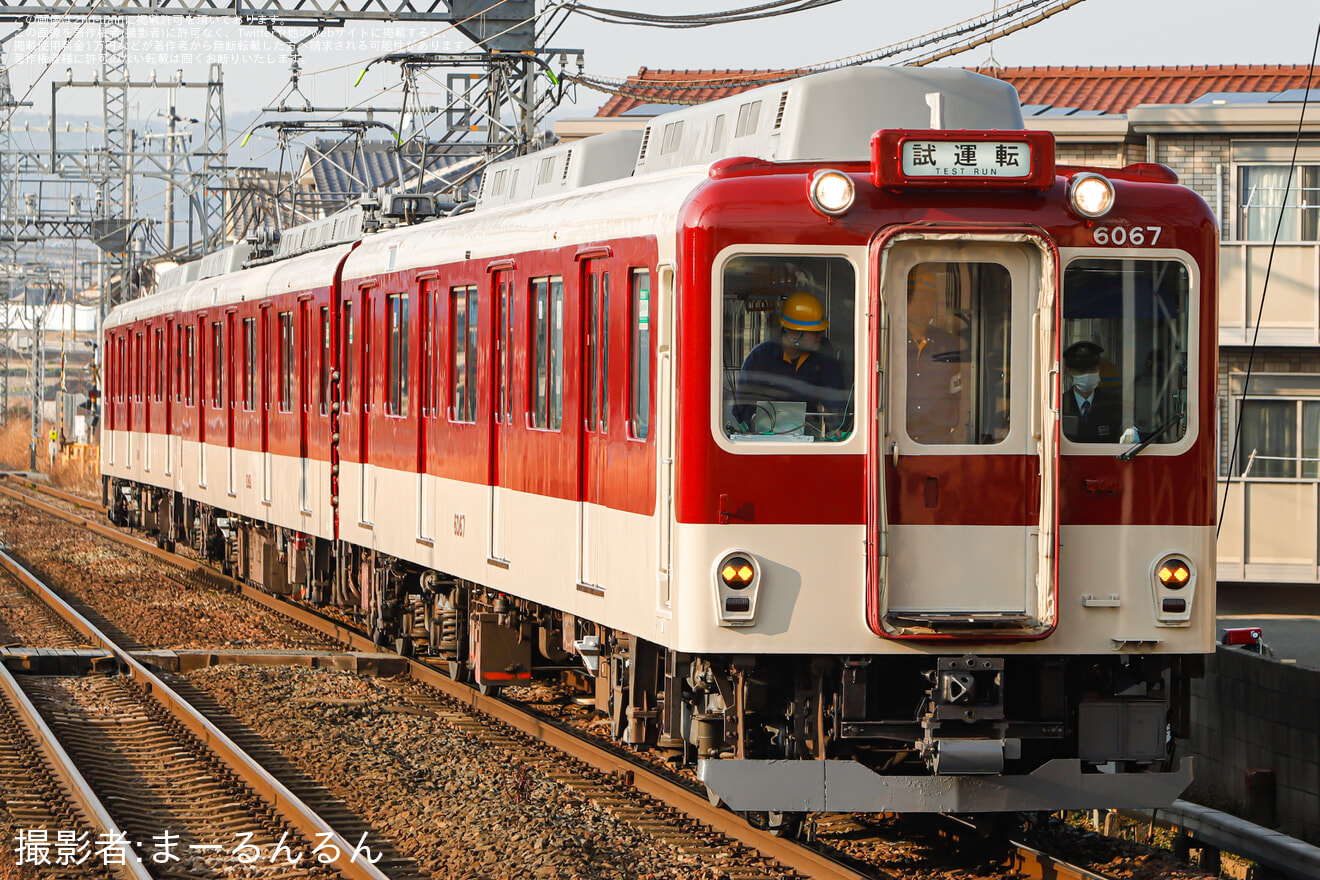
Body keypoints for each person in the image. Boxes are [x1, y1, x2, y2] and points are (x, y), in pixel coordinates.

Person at [733, 291, 847, 433]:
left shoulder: (822, 357)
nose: (821, 336)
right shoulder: (759, 358)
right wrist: (755, 432)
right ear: (793, 333)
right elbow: (743, 407)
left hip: (808, 438)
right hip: (764, 441)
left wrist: (835, 429)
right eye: (815, 332)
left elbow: (834, 398)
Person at [906, 270, 965, 443]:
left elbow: (958, 391)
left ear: (934, 304)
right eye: (914, 299)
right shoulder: (888, 340)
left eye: (926, 299)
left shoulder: (949, 343)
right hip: (896, 438)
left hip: (938, 439)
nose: (919, 305)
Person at [1062, 340, 1123, 442]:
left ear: (1099, 369)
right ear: (1068, 372)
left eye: (1092, 370)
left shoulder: (1113, 405)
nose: (1087, 375)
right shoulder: (1061, 405)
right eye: (1081, 371)